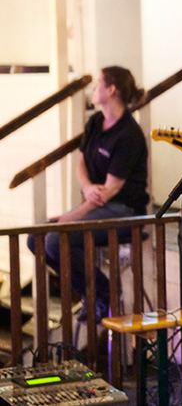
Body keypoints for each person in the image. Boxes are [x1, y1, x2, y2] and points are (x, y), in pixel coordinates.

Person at [28, 66, 149, 320]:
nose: (93, 89)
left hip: (125, 210)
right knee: (34, 238)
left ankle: (104, 293)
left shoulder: (129, 134)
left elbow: (110, 190)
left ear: (111, 90)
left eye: (97, 84)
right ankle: (91, 292)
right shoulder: (96, 121)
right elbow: (81, 161)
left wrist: (71, 215)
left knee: (53, 239)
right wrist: (86, 187)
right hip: (97, 204)